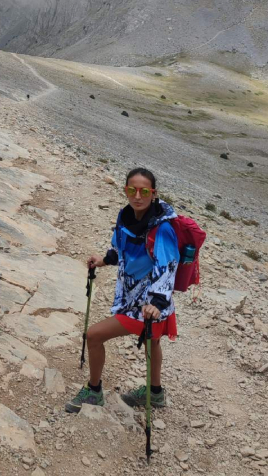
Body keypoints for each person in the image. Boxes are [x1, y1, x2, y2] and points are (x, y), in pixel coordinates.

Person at [66, 167, 179, 413]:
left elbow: (168, 266)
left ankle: (94, 391)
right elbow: (120, 250)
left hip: (148, 305)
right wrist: (103, 260)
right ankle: (155, 393)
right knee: (152, 344)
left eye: (144, 191)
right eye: (132, 190)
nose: (137, 196)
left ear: (154, 193)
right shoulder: (125, 216)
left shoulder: (163, 229)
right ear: (125, 190)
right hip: (135, 299)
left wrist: (157, 303)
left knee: (94, 335)